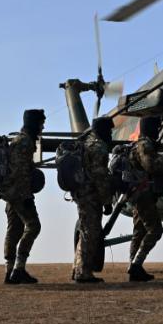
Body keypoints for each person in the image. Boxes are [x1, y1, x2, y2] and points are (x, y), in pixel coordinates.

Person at [126, 116, 163, 282]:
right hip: (143, 194)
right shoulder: (145, 145)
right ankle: (136, 265)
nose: (158, 131)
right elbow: (153, 166)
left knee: (139, 231)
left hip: (138, 193)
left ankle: (133, 267)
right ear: (149, 128)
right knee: (155, 230)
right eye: (156, 128)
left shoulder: (140, 144)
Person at [0, 109, 44, 285]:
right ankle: (18, 269)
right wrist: (26, 196)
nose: (42, 127)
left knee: (15, 229)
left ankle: (9, 271)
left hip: (10, 192)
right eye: (41, 123)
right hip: (19, 193)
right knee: (33, 226)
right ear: (34, 124)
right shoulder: (25, 142)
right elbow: (20, 172)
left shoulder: (18, 140)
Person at [73, 116, 113, 283]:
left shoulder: (87, 143)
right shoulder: (98, 147)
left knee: (85, 231)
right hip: (91, 195)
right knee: (91, 232)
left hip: (82, 194)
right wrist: (107, 201)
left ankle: (78, 269)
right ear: (102, 130)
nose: (111, 134)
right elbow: (100, 177)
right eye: (109, 130)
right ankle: (83, 273)